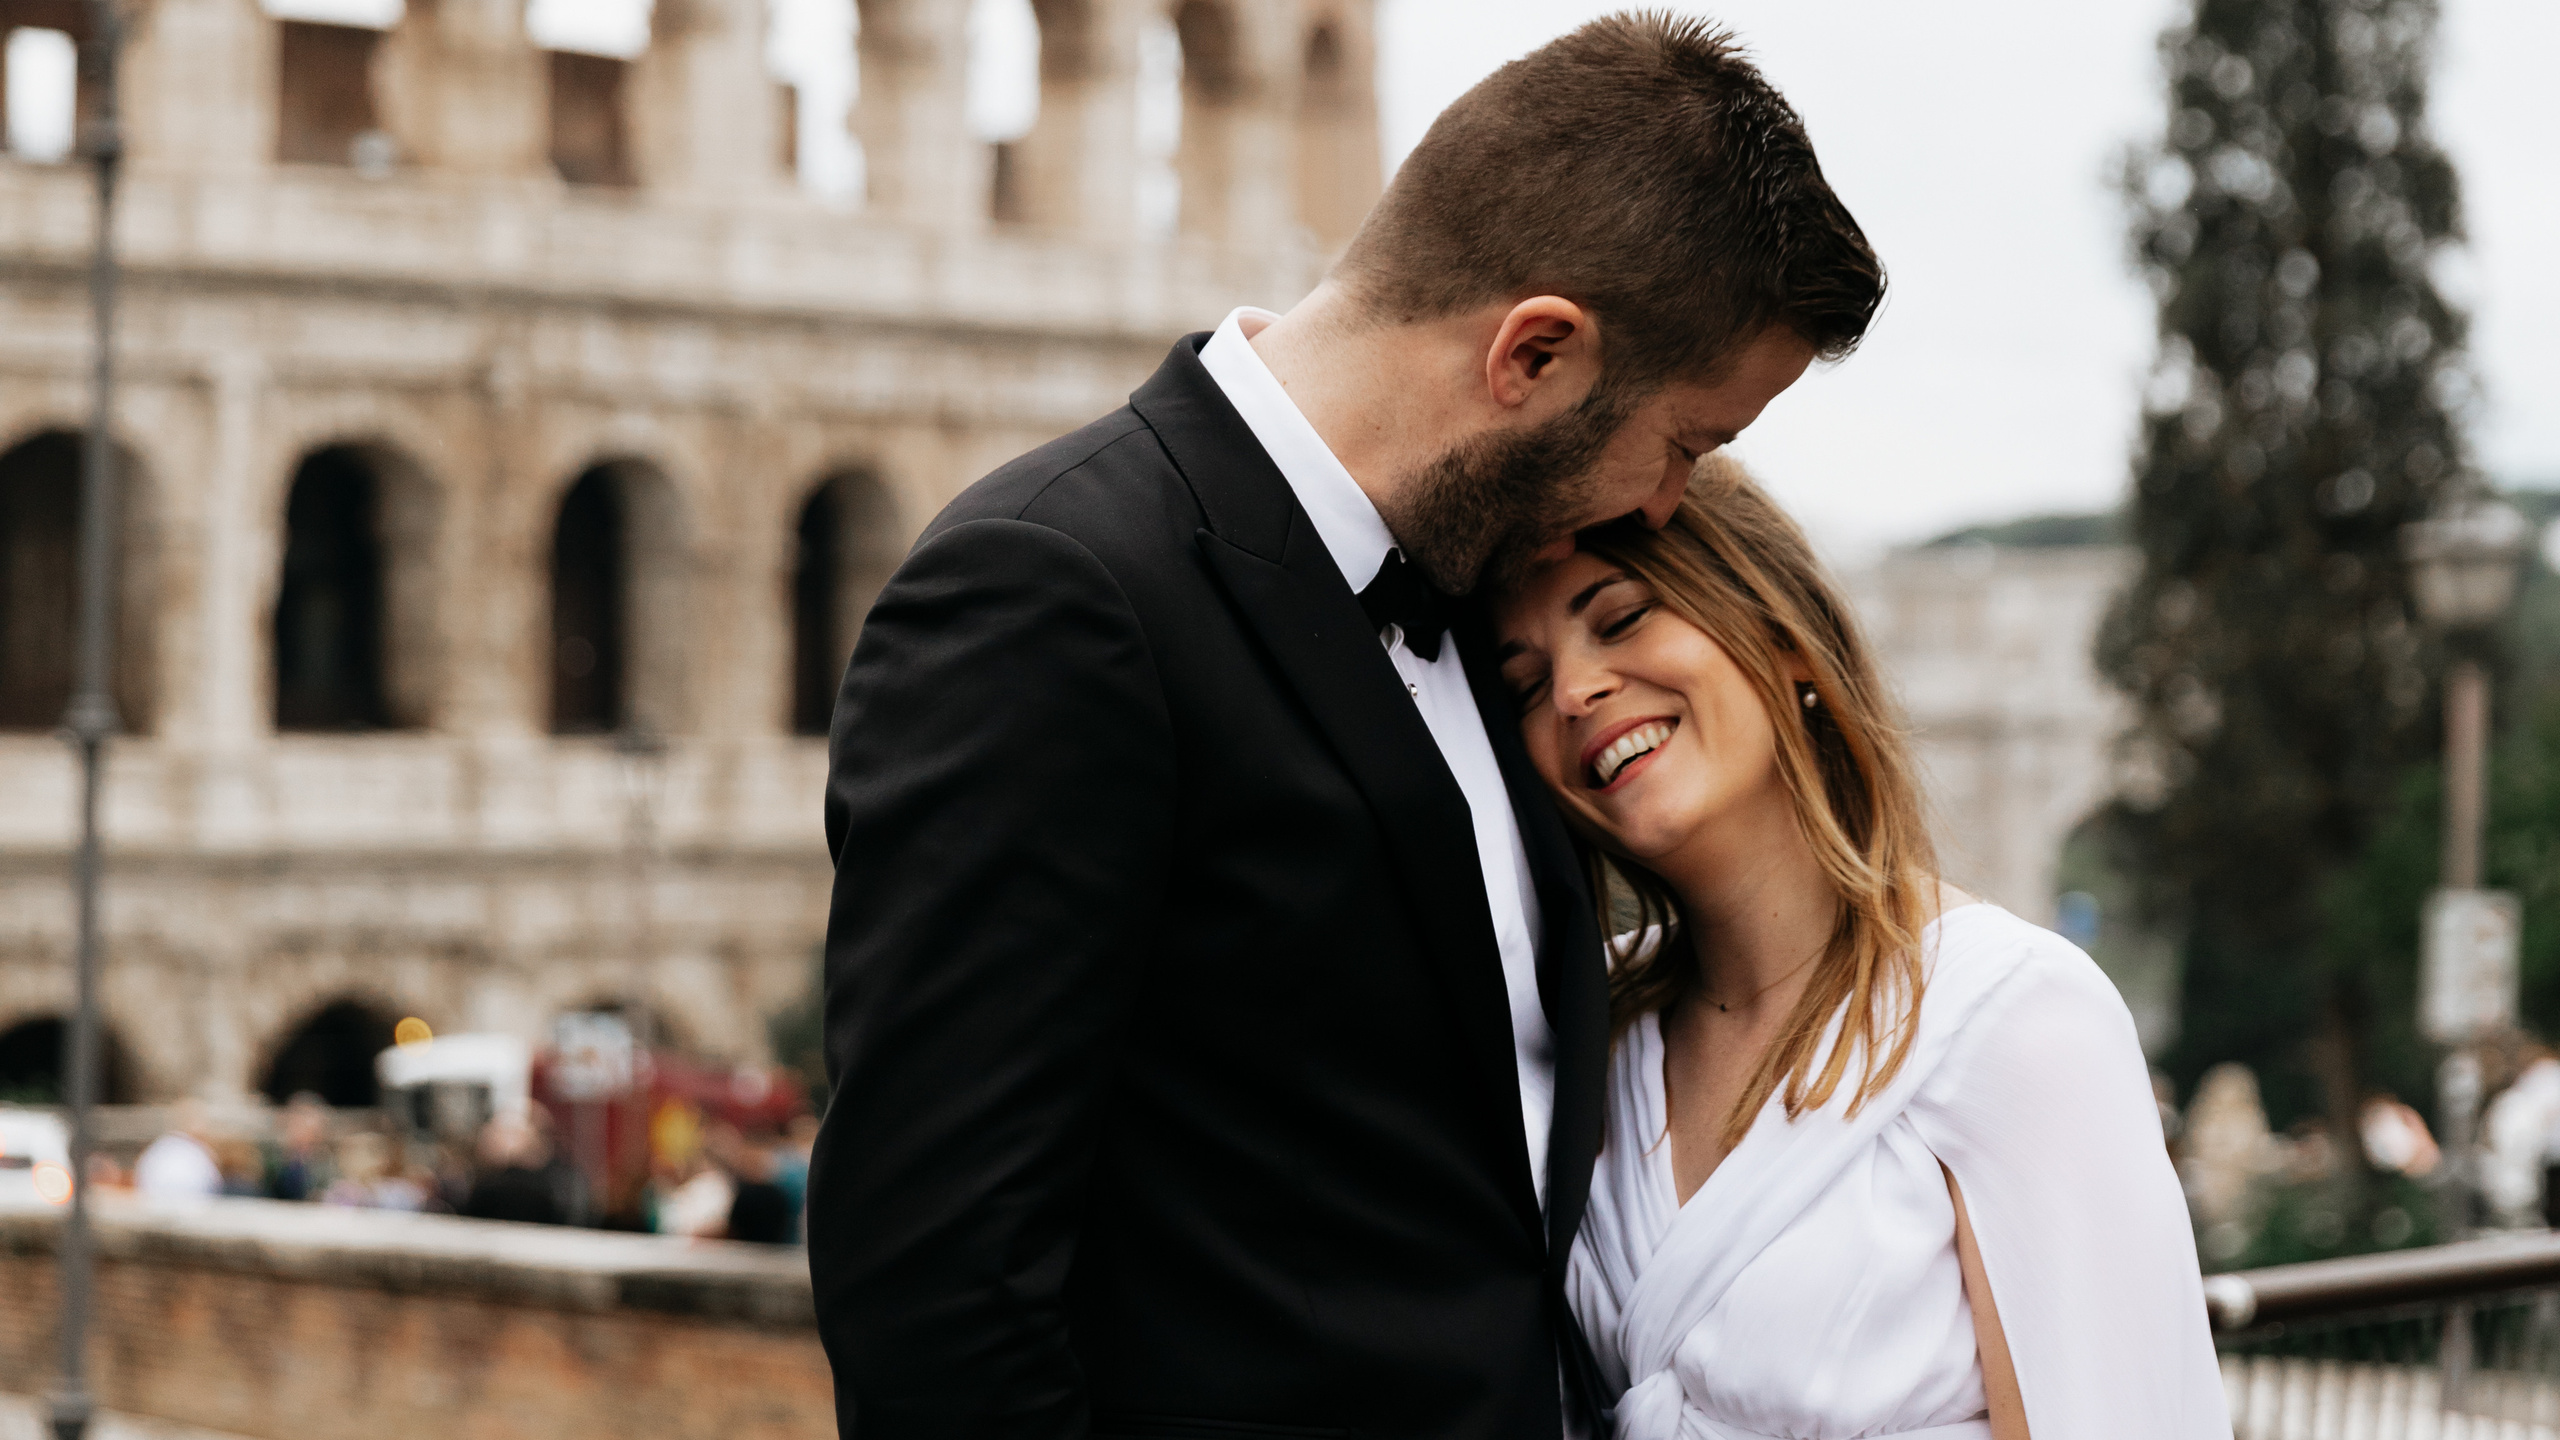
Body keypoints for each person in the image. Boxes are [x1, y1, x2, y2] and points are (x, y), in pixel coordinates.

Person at [806, 14, 1883, 1439]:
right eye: (1689, 441)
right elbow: (935, 1293)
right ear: (1536, 354)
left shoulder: (1491, 609)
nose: (1673, 505)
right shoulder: (1055, 591)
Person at [1490, 461, 2227, 1439]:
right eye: (1526, 685)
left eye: (1621, 618)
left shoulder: (2017, 1020)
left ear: (1788, 641)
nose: (1576, 690)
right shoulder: (1591, 1028)